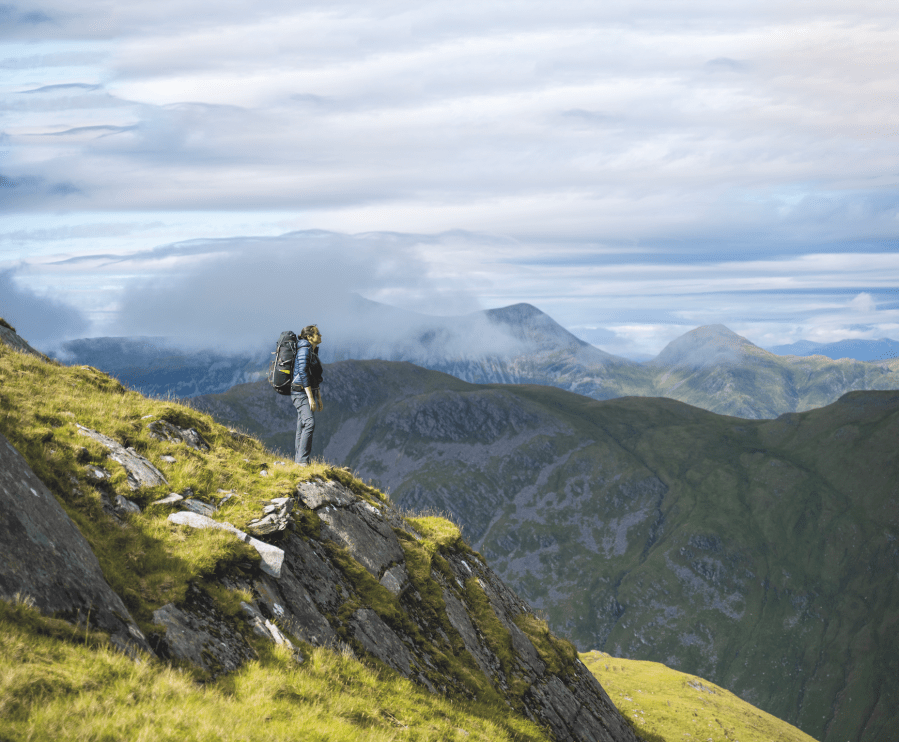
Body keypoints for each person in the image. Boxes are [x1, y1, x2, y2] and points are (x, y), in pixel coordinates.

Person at [290, 325, 323, 465]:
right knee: (309, 423)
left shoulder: (312, 351)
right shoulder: (304, 350)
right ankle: (302, 462)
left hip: (304, 392)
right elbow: (303, 373)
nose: (320, 336)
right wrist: (311, 397)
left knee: (302, 425)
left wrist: (318, 397)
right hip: (300, 392)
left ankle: (299, 461)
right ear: (309, 337)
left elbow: (313, 376)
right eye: (318, 333)